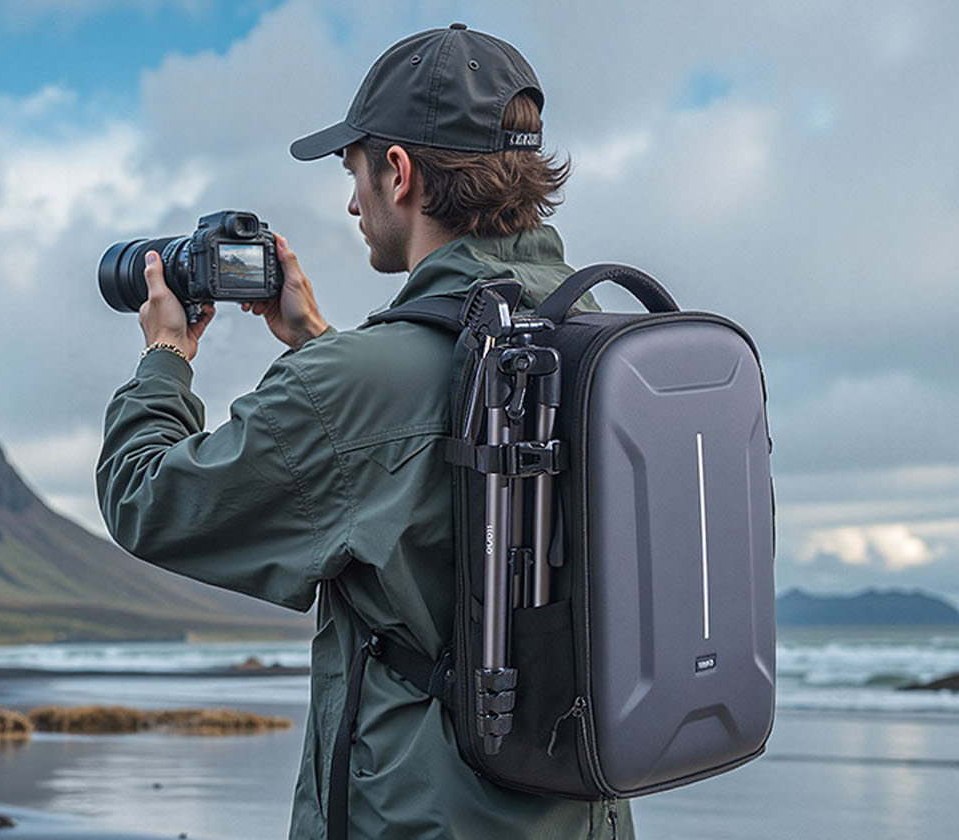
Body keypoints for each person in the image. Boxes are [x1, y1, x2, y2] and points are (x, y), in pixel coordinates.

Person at [97, 23, 634, 840]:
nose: (353, 203)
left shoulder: (351, 387)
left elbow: (147, 501)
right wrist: (318, 343)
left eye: (354, 172)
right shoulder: (594, 339)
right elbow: (420, 442)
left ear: (399, 171)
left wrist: (166, 358)